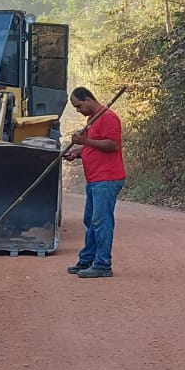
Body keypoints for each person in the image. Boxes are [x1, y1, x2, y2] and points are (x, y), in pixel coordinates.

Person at [62, 87, 126, 278]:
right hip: (94, 179)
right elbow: (94, 145)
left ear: (88, 99)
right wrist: (77, 152)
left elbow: (112, 145)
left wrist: (86, 142)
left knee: (101, 221)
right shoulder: (92, 119)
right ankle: (87, 259)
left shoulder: (108, 117)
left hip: (107, 179)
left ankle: (103, 264)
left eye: (79, 106)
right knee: (90, 220)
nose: (78, 110)